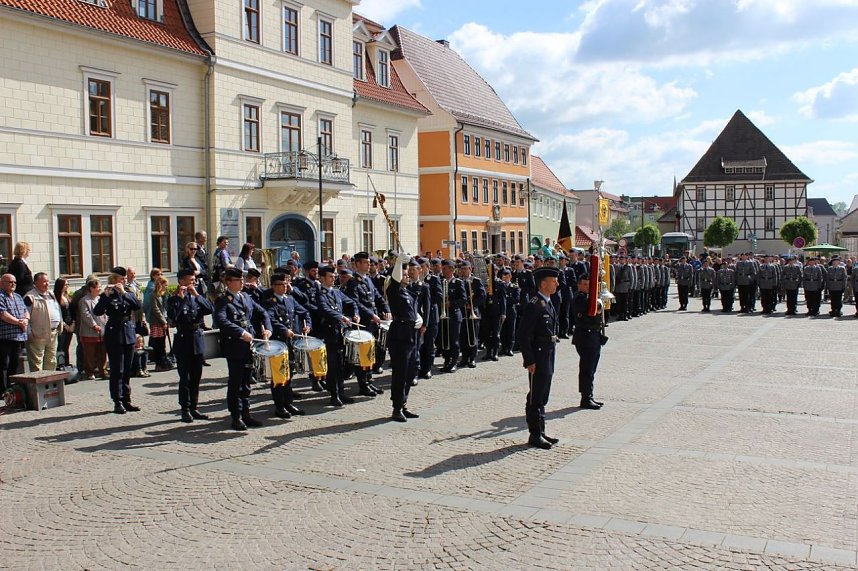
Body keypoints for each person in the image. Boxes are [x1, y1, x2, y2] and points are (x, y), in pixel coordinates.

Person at [214, 267, 272, 430]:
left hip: (249, 345)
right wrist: (240, 332)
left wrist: (267, 329)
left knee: (246, 382)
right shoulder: (223, 300)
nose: (241, 283)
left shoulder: (246, 296)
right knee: (236, 382)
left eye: (242, 280)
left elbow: (263, 313)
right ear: (228, 282)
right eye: (238, 280)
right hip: (235, 346)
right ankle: (236, 416)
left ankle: (246, 413)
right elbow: (221, 320)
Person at [517, 266, 561, 450]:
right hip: (538, 355)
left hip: (548, 353)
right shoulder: (534, 305)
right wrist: (530, 360)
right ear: (543, 284)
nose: (557, 283)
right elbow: (523, 335)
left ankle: (541, 431)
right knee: (535, 397)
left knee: (543, 395)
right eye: (553, 281)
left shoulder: (548, 302)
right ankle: (534, 435)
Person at [168, 269, 214, 423]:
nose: (193, 283)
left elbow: (209, 309)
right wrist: (181, 300)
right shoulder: (173, 299)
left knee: (196, 377)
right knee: (185, 378)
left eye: (194, 280)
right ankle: (185, 409)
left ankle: (194, 407)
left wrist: (197, 295)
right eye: (190, 280)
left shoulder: (196, 298)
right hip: (183, 340)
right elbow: (173, 319)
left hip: (197, 340)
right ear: (181, 281)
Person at [94, 268, 142, 414]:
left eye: (125, 279)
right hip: (114, 333)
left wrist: (124, 293)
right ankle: (117, 400)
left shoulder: (127, 292)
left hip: (128, 332)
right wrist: (106, 297)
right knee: (117, 370)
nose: (124, 281)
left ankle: (127, 399)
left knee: (127, 369)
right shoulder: (107, 294)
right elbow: (98, 311)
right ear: (115, 279)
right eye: (121, 279)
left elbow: (137, 306)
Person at [263, 272, 311, 419]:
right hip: (278, 342)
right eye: (281, 285)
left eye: (286, 284)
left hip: (290, 343)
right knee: (279, 375)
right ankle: (279, 406)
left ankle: (288, 402)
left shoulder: (290, 299)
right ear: (273, 286)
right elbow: (271, 319)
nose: (284, 287)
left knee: (289, 373)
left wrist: (307, 325)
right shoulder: (270, 302)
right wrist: (284, 330)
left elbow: (305, 312)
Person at [314, 265, 359, 407]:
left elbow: (351, 303)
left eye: (334, 276)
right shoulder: (320, 294)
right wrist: (341, 317)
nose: (334, 278)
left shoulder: (337, 292)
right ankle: (334, 395)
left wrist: (355, 314)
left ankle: (341, 392)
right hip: (329, 333)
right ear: (322, 278)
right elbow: (325, 309)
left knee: (340, 364)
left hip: (340, 333)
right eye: (330, 276)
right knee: (332, 366)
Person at [385, 253, 422, 422]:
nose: (408, 276)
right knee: (400, 373)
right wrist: (399, 262)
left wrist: (418, 318)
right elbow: (395, 279)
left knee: (409, 372)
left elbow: (413, 310)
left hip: (411, 335)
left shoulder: (409, 292)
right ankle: (396, 408)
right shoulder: (395, 290)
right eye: (405, 274)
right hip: (399, 335)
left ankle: (404, 403)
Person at [572, 274, 604, 410]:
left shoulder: (589, 298)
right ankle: (585, 398)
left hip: (593, 336)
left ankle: (589, 395)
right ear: (579, 285)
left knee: (591, 368)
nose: (586, 287)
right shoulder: (579, 298)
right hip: (585, 336)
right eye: (584, 284)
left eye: (589, 285)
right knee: (587, 368)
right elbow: (589, 312)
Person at [23, 272, 63, 371]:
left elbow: (57, 310)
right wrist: (28, 332)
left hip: (53, 334)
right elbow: (24, 316)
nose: (47, 284)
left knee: (51, 361)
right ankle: (38, 385)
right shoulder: (30, 297)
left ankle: (49, 384)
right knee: (37, 363)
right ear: (36, 283)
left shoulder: (51, 294)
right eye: (44, 282)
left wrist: (60, 324)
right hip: (37, 334)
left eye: (47, 281)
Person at [0, 273, 29, 392]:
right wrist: (19, 322)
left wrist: (26, 320)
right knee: (3, 365)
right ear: (2, 283)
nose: (13, 284)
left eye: (15, 282)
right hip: (5, 337)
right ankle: (2, 389)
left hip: (18, 337)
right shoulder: (1, 296)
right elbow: (3, 314)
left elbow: (25, 311)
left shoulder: (18, 296)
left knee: (14, 363)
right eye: (10, 282)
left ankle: (11, 388)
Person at [78, 279, 107, 380]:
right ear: (91, 288)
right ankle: (89, 372)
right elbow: (86, 315)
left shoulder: (100, 299)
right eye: (98, 287)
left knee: (102, 352)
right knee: (89, 354)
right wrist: (94, 325)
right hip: (89, 332)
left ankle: (102, 370)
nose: (100, 289)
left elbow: (105, 313)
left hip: (102, 331)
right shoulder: (84, 300)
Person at [145, 277, 171, 372]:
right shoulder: (154, 295)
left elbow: (166, 309)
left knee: (163, 344)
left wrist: (167, 321)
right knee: (158, 344)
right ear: (160, 284)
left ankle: (163, 362)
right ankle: (158, 364)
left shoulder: (164, 295)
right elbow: (156, 310)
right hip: (156, 323)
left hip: (163, 321)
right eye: (165, 284)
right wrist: (163, 321)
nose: (167, 286)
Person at [54, 277, 75, 375]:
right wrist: (65, 325)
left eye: (67, 284)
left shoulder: (67, 296)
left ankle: (67, 365)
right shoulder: (56, 298)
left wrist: (73, 323)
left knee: (66, 346)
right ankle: (60, 365)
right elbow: (57, 313)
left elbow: (72, 311)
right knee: (60, 346)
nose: (67, 286)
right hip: (62, 325)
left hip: (70, 323)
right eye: (65, 285)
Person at [193, 231, 210, 297]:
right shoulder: (195, 249)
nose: (206, 239)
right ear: (198, 238)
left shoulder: (203, 249)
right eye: (204, 237)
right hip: (200, 278)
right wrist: (203, 272)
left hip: (205, 277)